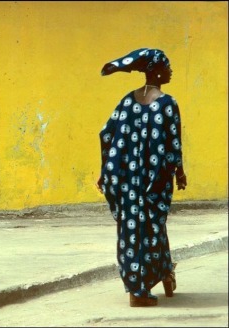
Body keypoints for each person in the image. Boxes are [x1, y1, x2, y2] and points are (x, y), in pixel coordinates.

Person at [96, 48, 187, 307]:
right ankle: (138, 291)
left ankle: (164, 274)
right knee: (152, 228)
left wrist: (107, 170)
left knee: (132, 230)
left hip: (126, 180)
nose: (170, 71)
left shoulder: (127, 101)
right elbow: (174, 144)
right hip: (153, 179)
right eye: (167, 67)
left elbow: (106, 134)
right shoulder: (168, 103)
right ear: (156, 71)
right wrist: (179, 172)